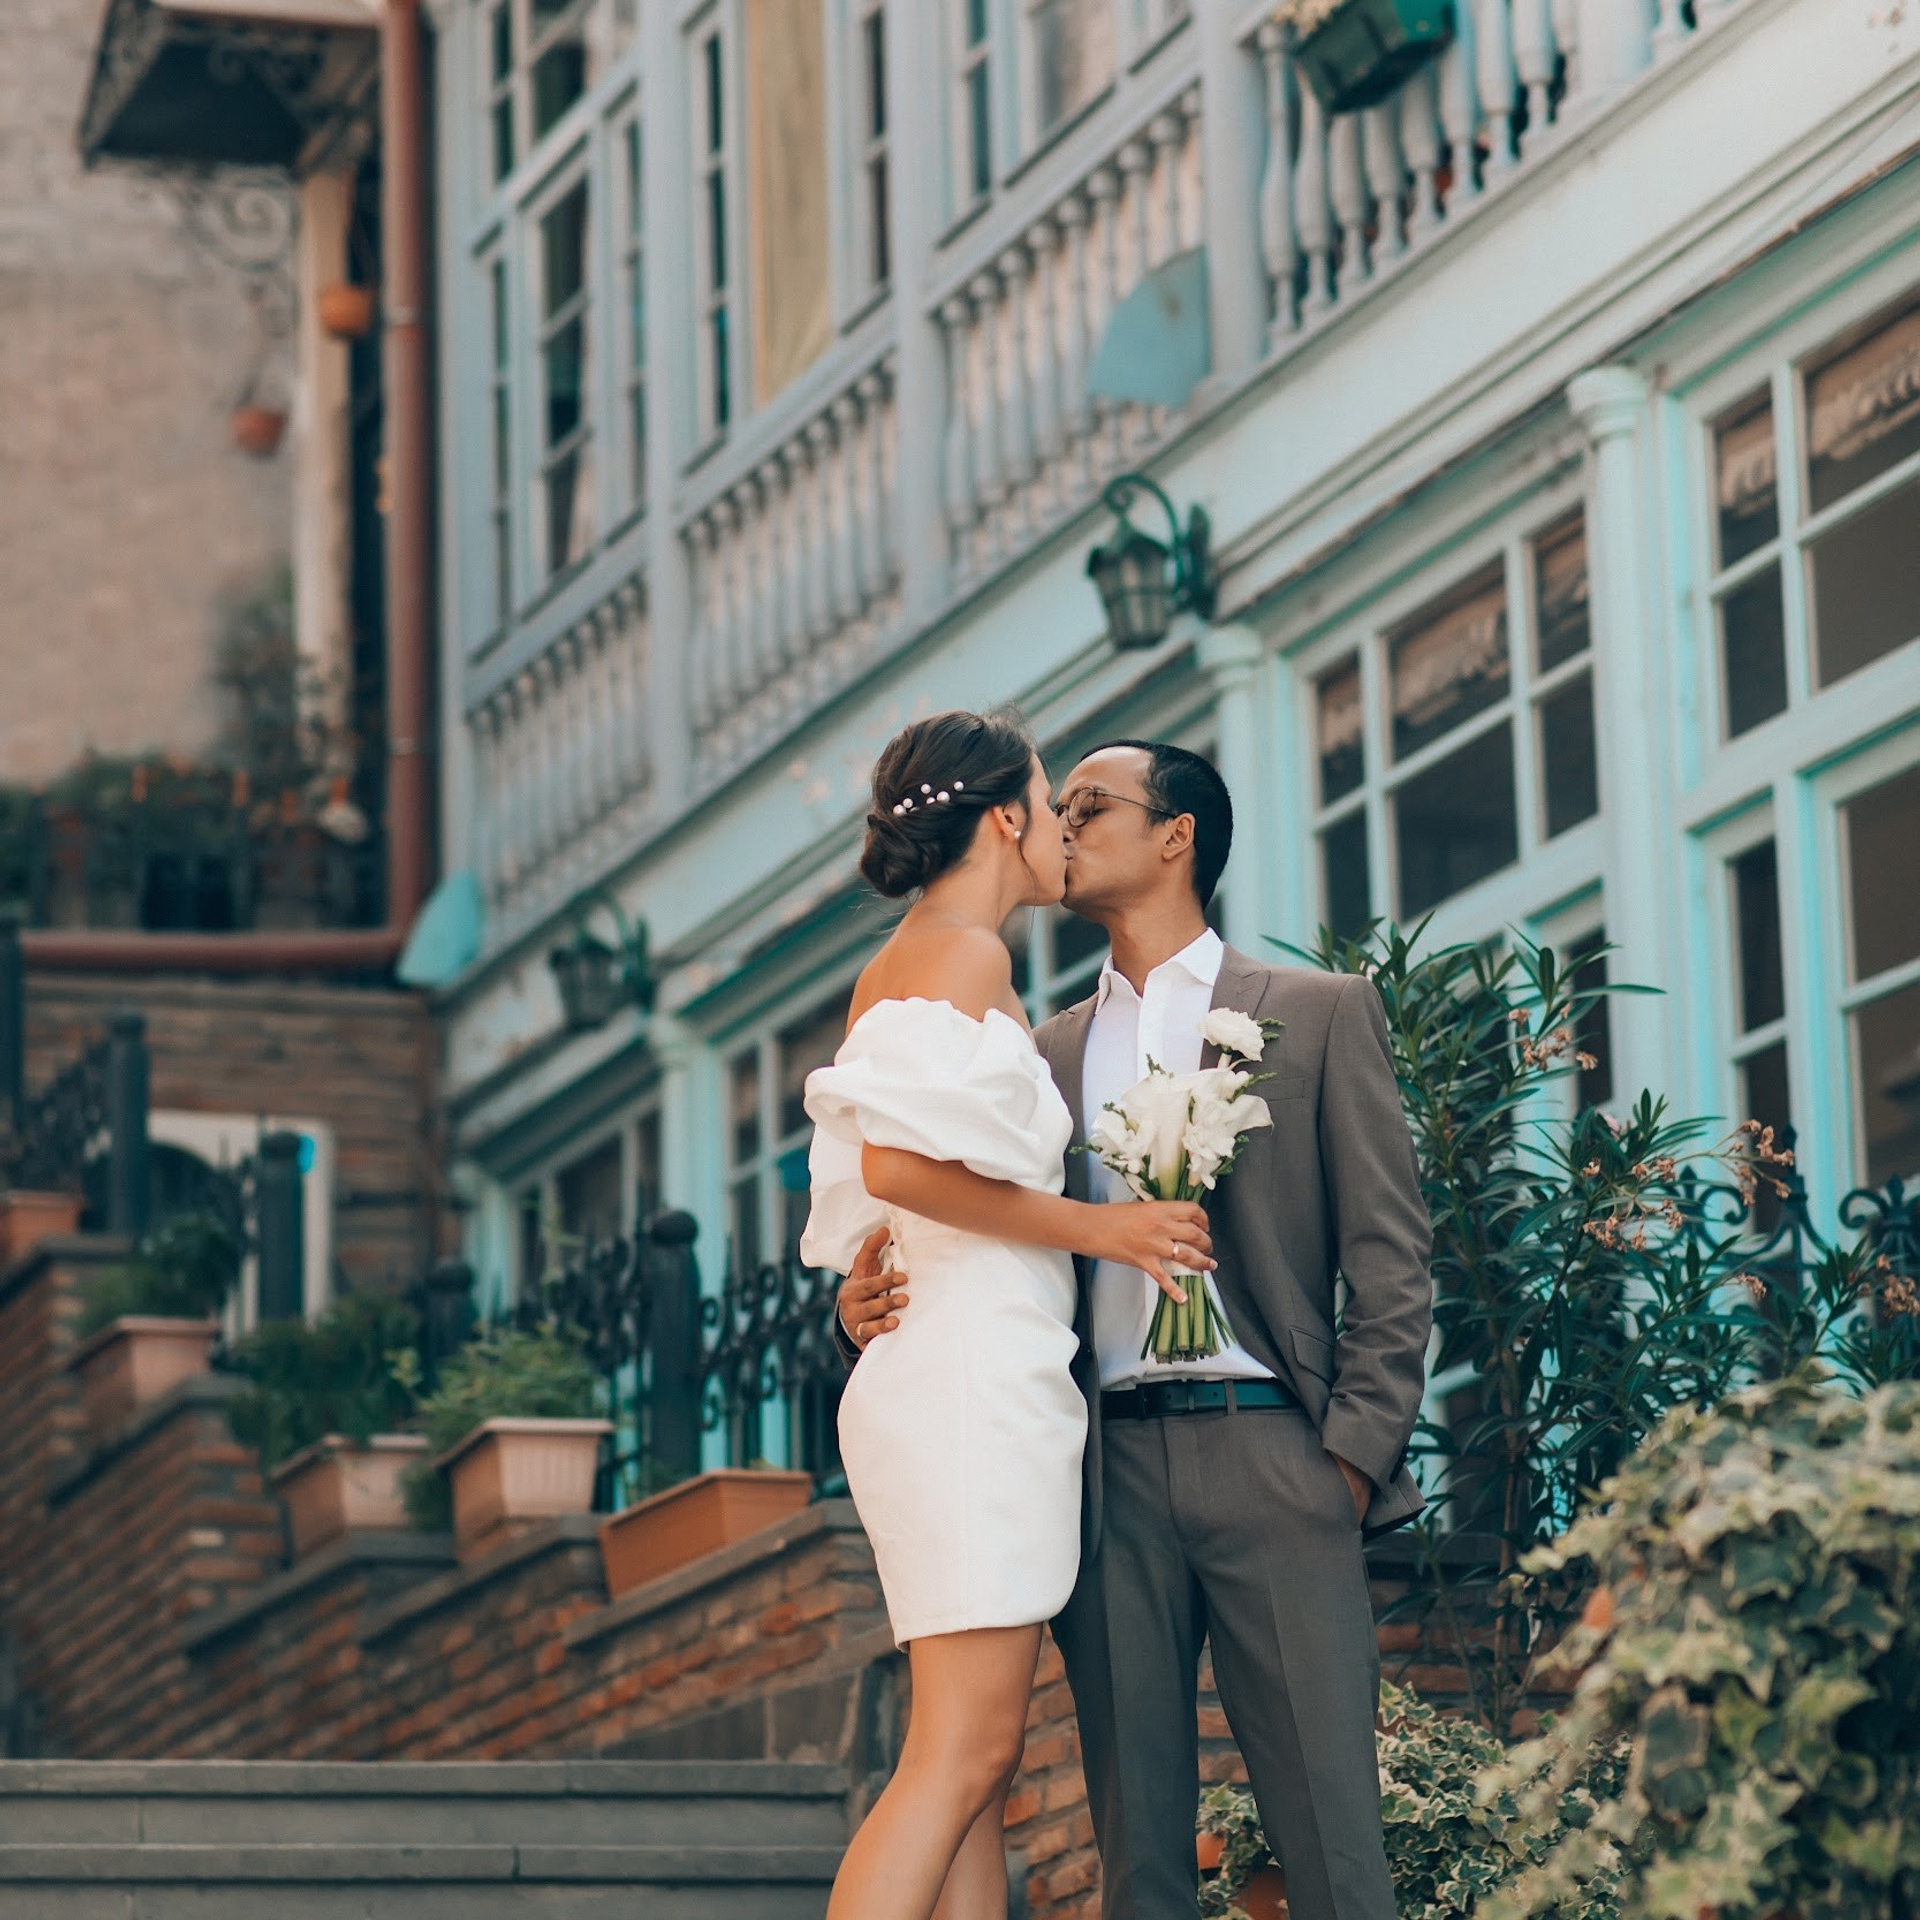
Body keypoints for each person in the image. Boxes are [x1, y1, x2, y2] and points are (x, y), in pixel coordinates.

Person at [839, 739, 1433, 1920]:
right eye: (1054, 805)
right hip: (1099, 1470)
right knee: (1136, 1852)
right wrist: (859, 1300)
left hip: (1278, 1453)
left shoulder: (1318, 1014)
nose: (1060, 824)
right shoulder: (1038, 1046)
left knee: (1334, 1838)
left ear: (1179, 837)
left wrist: (1351, 1459)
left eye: (1090, 805)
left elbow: (1390, 1252)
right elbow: (950, 1196)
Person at [800, 710, 1214, 1920]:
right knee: (963, 1758)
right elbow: (895, 1171)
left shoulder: (920, 961)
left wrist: (860, 1289)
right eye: (1052, 801)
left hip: (958, 1369)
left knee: (973, 1772)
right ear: (1002, 820)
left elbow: (890, 1190)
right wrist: (1112, 1228)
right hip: (970, 1383)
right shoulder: (962, 956)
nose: (1066, 829)